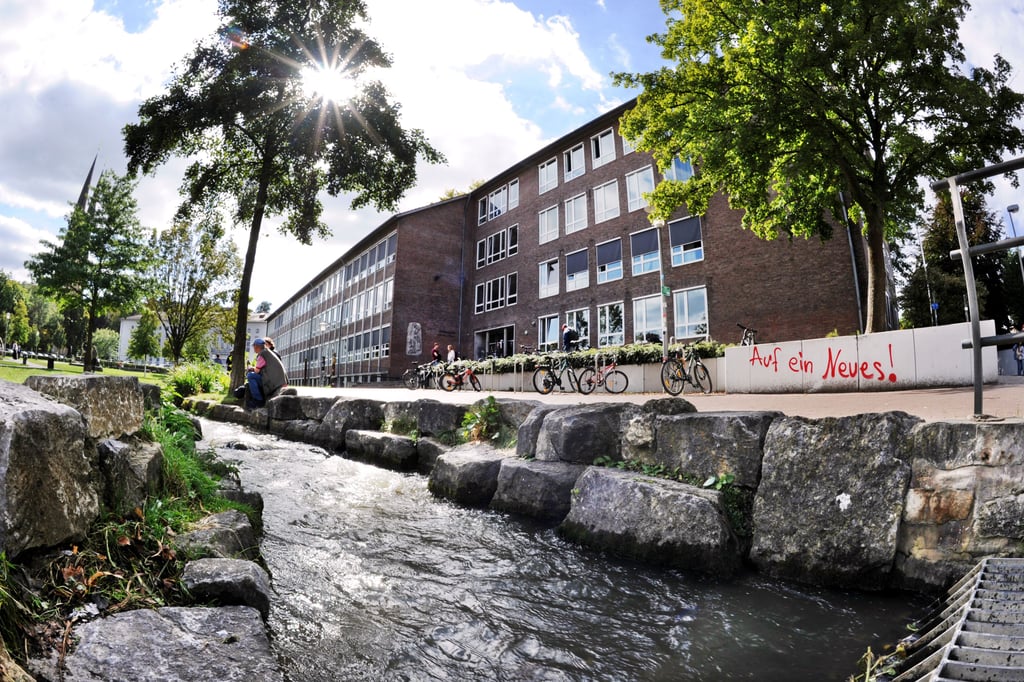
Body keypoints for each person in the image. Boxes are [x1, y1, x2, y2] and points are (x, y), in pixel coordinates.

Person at [245, 337, 289, 409]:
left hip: (274, 383)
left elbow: (257, 370)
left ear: (257, 346)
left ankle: (258, 400)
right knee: (253, 376)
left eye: (254, 346)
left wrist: (250, 368)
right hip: (280, 381)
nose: (254, 348)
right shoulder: (268, 352)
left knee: (250, 376)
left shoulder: (262, 354)